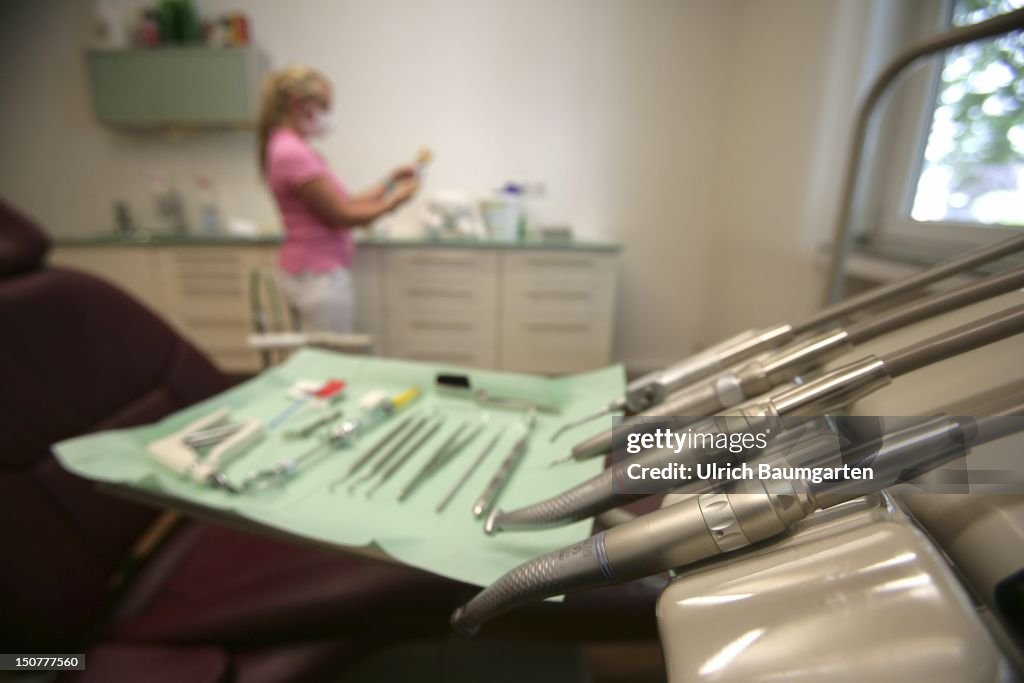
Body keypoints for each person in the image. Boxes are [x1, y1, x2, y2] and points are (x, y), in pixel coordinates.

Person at [258, 64, 418, 333]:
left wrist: (390, 181)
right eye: (324, 106)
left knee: (321, 359)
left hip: (313, 273)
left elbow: (346, 203)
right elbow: (341, 216)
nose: (326, 116)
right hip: (317, 278)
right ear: (299, 103)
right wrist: (394, 203)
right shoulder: (292, 153)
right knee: (327, 363)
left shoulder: (289, 148)